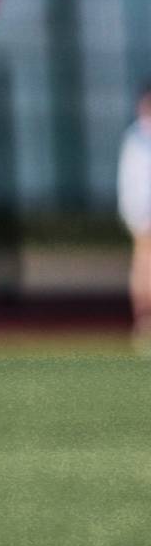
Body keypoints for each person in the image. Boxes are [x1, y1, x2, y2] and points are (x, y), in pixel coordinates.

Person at [120, 84, 151, 354]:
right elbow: (132, 183)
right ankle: (144, 322)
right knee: (145, 269)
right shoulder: (136, 139)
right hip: (145, 217)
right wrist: (138, 216)